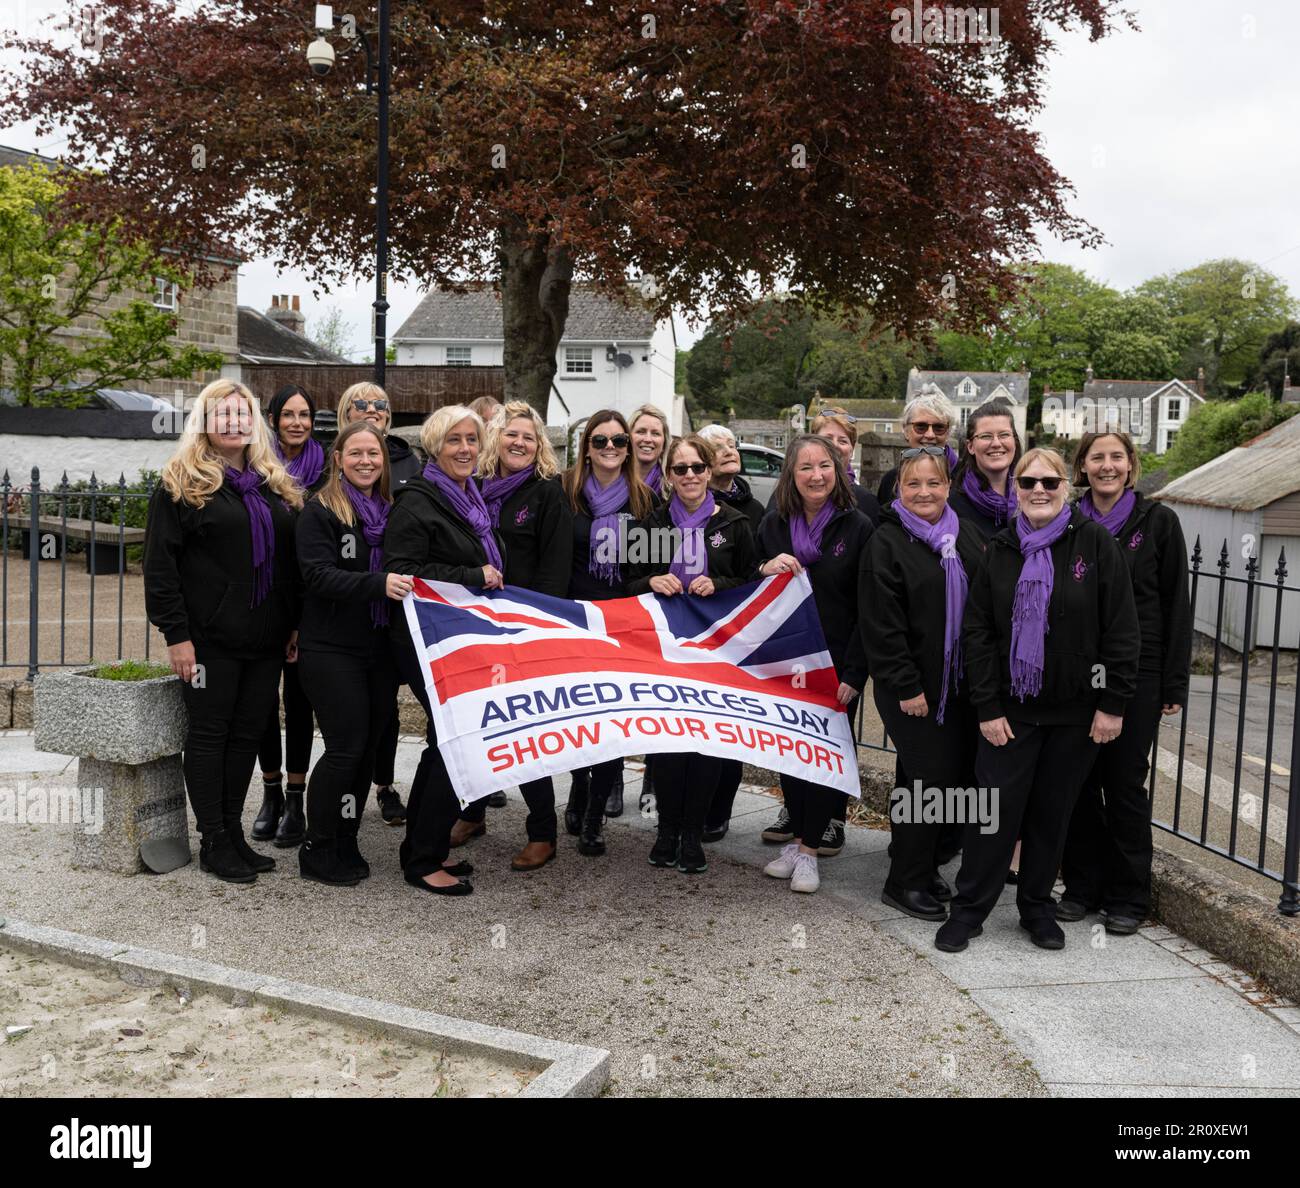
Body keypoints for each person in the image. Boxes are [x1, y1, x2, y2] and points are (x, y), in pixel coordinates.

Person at [937, 448, 1140, 953]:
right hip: (1010, 712)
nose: (1038, 490)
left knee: (1053, 815)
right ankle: (968, 911)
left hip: (1075, 715)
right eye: (1027, 482)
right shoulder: (1000, 548)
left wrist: (1112, 704)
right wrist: (987, 707)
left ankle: (1036, 907)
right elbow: (978, 633)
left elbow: (1120, 629)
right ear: (1016, 489)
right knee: (993, 815)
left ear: (1065, 486)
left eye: (1049, 481)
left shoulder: (1094, 544)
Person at [144, 379, 303, 884]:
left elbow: (287, 564)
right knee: (211, 737)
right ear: (206, 424)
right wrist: (177, 636)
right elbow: (160, 567)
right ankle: (213, 839)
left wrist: (292, 623)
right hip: (208, 639)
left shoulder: (271, 483)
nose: (234, 422)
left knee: (246, 737)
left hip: (266, 639)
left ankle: (232, 832)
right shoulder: (181, 483)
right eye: (223, 414)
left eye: (242, 413)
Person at [1058, 430, 1191, 934]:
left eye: (1117, 457)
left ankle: (1129, 896)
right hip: (1079, 672)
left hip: (1139, 673)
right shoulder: (1068, 521)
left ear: (1131, 465)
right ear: (1083, 466)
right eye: (1098, 457)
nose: (1107, 465)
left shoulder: (1158, 523)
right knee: (1079, 783)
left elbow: (1176, 604)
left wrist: (1174, 684)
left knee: (1124, 784)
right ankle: (1082, 886)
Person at [383, 404, 504, 897]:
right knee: (452, 742)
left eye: (472, 440)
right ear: (435, 446)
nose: (465, 449)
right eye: (454, 440)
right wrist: (474, 577)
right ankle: (421, 859)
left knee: (447, 741)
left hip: (459, 640)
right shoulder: (417, 501)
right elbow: (404, 572)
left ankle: (421, 844)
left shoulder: (467, 497)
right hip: (426, 642)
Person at [448, 401, 574, 870]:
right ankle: (473, 812)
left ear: (538, 445)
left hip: (524, 628)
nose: (519, 442)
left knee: (522, 730)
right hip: (476, 624)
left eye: (528, 436)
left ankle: (543, 830)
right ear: (494, 440)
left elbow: (555, 569)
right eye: (510, 434)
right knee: (478, 721)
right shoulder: (474, 491)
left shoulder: (547, 494)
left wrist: (532, 627)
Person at [861, 446, 984, 919]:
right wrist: (908, 687)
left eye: (934, 482)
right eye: (914, 484)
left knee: (950, 779)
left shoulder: (967, 537)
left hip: (961, 688)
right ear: (898, 489)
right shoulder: (886, 543)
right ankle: (904, 880)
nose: (924, 492)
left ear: (948, 487)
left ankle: (928, 864)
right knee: (925, 778)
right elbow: (881, 627)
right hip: (910, 689)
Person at [628, 434, 760, 874]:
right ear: (668, 475)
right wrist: (651, 581)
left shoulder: (736, 526)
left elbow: (750, 586)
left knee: (706, 743)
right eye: (679, 468)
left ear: (710, 471)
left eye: (697, 467)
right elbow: (626, 585)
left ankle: (692, 834)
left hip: (715, 654)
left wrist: (718, 586)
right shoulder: (651, 526)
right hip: (664, 650)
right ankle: (666, 830)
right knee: (667, 741)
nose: (689, 476)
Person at [295, 421, 412, 885]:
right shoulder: (320, 511)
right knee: (344, 749)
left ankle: (346, 837)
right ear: (338, 459)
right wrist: (376, 584)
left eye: (375, 454)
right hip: (331, 648)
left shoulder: (390, 512)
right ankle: (317, 846)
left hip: (377, 649)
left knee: (365, 752)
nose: (366, 461)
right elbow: (317, 575)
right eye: (357, 453)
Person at [754, 434, 869, 892]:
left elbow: (869, 606)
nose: (816, 475)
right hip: (786, 660)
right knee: (792, 750)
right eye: (805, 467)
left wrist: (856, 672)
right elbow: (749, 586)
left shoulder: (857, 526)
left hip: (836, 664)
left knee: (823, 755)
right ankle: (797, 838)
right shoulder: (774, 524)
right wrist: (765, 568)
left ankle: (809, 852)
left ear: (837, 470)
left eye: (824, 465)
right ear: (791, 474)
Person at [563, 410, 656, 854]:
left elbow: (653, 566)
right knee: (579, 719)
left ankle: (595, 814)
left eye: (619, 441)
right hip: (572, 619)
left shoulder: (644, 500)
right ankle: (578, 788)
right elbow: (552, 557)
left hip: (621, 624)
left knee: (610, 722)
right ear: (587, 446)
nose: (610, 449)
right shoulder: (565, 492)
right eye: (600, 441)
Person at [252, 385, 327, 847]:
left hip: (308, 600)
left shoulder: (326, 470)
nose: (297, 422)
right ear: (274, 418)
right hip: (264, 598)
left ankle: (297, 799)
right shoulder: (256, 468)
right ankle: (271, 792)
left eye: (304, 415)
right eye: (288, 414)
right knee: (262, 701)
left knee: (300, 703)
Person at [338, 382, 414, 826]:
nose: (371, 410)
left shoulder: (407, 460)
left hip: (394, 603)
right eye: (360, 404)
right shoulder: (335, 466)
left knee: (385, 707)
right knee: (346, 714)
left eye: (380, 404)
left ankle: (384, 786)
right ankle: (328, 794)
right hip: (347, 608)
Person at [694, 422, 766, 838]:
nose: (728, 449)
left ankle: (718, 811)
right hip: (691, 636)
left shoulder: (753, 512)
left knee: (729, 729)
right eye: (716, 445)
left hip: (734, 638)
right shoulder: (679, 510)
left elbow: (752, 575)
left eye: (731, 443)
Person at [947, 399, 1021, 541]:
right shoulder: (953, 505)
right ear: (970, 446)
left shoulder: (1032, 495)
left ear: (1015, 441)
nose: (996, 443)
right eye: (986, 436)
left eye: (1004, 435)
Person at [876, 393, 959, 506]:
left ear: (948, 433)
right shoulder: (890, 480)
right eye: (921, 427)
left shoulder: (966, 478)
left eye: (939, 428)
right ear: (906, 431)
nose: (930, 434)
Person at [812, 407, 881, 525]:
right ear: (811, 443)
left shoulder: (866, 502)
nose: (834, 445)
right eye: (827, 439)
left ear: (852, 449)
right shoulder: (790, 493)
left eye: (843, 441)